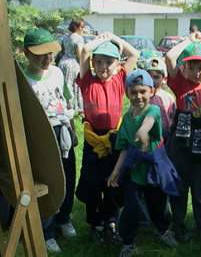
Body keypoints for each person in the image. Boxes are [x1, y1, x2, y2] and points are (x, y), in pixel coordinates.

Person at [107, 69, 180, 257]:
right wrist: (116, 170)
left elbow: (149, 121)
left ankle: (163, 229)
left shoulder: (153, 110)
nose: (138, 96)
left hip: (154, 168)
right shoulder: (126, 119)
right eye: (133, 92)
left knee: (158, 204)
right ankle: (128, 241)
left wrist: (143, 131)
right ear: (127, 93)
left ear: (152, 92)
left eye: (143, 91)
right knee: (130, 207)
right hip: (133, 169)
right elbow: (124, 147)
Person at [75, 32, 139, 244]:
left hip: (114, 139)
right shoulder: (87, 81)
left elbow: (134, 54)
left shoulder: (120, 79)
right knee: (92, 183)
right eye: (99, 62)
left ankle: (111, 221)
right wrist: (99, 40)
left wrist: (116, 39)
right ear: (92, 63)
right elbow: (84, 50)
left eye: (109, 62)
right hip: (93, 140)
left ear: (117, 64)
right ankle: (95, 223)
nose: (104, 67)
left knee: (113, 182)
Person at [23, 28, 78, 252]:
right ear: (27, 53)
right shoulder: (24, 80)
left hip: (63, 131)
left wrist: (72, 131)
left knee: (68, 175)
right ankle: (47, 230)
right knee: (47, 181)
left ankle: (64, 218)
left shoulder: (56, 72)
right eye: (40, 54)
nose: (46, 59)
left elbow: (66, 99)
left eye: (50, 54)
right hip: (42, 136)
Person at [165, 34, 201, 241]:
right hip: (181, 144)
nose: (197, 72)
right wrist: (189, 42)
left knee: (200, 188)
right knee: (180, 186)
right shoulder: (180, 84)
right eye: (192, 67)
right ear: (184, 68)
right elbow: (169, 57)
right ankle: (178, 225)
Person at [58, 19, 85, 114]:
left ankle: (64, 105)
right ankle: (75, 107)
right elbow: (79, 53)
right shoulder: (78, 38)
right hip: (73, 64)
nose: (83, 29)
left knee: (65, 85)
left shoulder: (65, 37)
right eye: (82, 27)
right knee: (75, 85)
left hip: (63, 62)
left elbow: (61, 50)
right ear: (76, 27)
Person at [146, 57, 176, 143]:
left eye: (156, 77)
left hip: (165, 136)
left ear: (164, 79)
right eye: (149, 76)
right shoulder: (142, 96)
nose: (152, 80)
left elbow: (173, 117)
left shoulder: (168, 97)